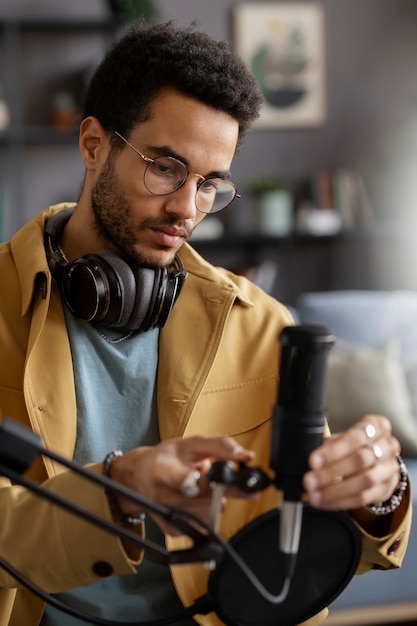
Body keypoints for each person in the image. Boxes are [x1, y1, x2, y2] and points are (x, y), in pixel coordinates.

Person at [0, 19, 411, 626]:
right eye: (165, 168)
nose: (187, 209)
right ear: (93, 144)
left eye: (210, 184)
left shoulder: (262, 327)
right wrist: (118, 489)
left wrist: (381, 495)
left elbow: (308, 536)